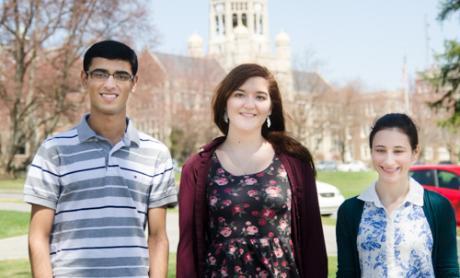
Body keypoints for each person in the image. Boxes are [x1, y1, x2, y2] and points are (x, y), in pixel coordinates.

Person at [24, 40, 177, 277]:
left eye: (121, 76)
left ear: (134, 83)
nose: (110, 84)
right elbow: (38, 236)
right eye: (100, 74)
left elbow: (157, 238)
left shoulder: (156, 154)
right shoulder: (54, 151)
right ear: (85, 79)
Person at [176, 63, 327, 277]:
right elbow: (188, 249)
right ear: (225, 102)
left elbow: (313, 243)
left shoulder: (295, 164)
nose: (249, 104)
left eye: (260, 97)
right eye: (239, 94)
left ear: (271, 107)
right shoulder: (197, 168)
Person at [336, 113, 459, 277]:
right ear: (371, 152)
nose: (388, 160)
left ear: (415, 153)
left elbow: (448, 271)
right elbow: (346, 273)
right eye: (380, 150)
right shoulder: (349, 211)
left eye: (398, 151)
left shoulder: (438, 207)